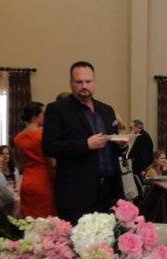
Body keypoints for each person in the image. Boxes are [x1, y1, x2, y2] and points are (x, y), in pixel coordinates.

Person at [42, 61, 124, 225]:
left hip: (108, 191)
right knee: (78, 246)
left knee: (107, 245)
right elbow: (49, 146)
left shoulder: (107, 110)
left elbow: (111, 144)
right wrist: (85, 144)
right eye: (79, 82)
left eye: (88, 81)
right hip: (76, 194)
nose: (84, 86)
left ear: (95, 83)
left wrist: (122, 144)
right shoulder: (57, 109)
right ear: (71, 83)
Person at [14, 102, 57, 218]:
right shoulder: (43, 135)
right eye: (43, 114)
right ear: (35, 116)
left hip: (27, 180)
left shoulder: (18, 138)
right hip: (43, 180)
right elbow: (51, 162)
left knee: (29, 220)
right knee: (46, 221)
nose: (45, 117)